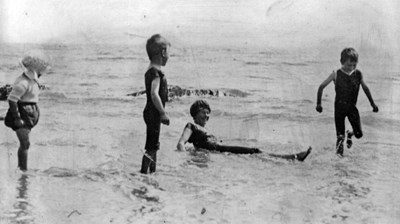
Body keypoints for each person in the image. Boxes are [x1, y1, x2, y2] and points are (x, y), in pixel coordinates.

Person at [177, 100, 312, 161]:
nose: (207, 115)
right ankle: (292, 158)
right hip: (219, 150)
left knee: (254, 151)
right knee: (255, 151)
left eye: (208, 113)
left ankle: (290, 157)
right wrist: (184, 156)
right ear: (195, 115)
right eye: (203, 112)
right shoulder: (191, 126)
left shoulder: (203, 129)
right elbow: (181, 143)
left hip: (219, 150)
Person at [316, 48, 379, 156]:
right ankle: (339, 162)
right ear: (342, 62)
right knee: (340, 137)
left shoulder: (358, 74)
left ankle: (350, 134)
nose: (351, 67)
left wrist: (372, 103)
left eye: (354, 65)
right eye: (349, 65)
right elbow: (321, 87)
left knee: (359, 134)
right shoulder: (336, 74)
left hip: (352, 108)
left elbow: (365, 88)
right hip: (339, 108)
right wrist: (319, 104)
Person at [4, 56, 49, 171]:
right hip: (22, 114)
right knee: (25, 144)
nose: (41, 73)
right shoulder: (22, 82)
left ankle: (22, 168)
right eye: (40, 71)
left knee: (26, 144)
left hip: (29, 113)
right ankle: (22, 169)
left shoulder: (32, 80)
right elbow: (12, 100)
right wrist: (17, 118)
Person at [140, 34, 171, 174]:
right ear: (163, 52)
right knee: (151, 147)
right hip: (154, 113)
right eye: (169, 53)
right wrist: (163, 113)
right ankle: (143, 173)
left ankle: (152, 173)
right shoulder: (155, 73)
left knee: (154, 146)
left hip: (151, 113)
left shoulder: (151, 70)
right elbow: (154, 94)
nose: (169, 57)